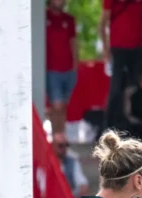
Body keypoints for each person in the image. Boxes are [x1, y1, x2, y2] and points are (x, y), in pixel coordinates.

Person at [100, 0, 142, 129]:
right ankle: (109, 125)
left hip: (137, 49)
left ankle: (132, 125)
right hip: (118, 49)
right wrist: (106, 50)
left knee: (134, 88)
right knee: (116, 89)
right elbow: (102, 24)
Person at [46, 0, 79, 134]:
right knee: (56, 106)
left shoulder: (69, 19)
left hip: (69, 70)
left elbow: (73, 42)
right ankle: (56, 138)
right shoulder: (43, 18)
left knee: (63, 107)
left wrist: (76, 65)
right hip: (52, 70)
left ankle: (61, 139)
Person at [54, 133, 90, 197]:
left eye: (66, 145)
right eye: (60, 145)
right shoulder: (48, 163)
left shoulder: (72, 161)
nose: (63, 148)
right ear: (53, 146)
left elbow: (82, 182)